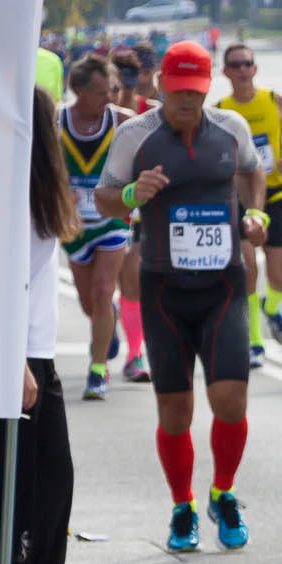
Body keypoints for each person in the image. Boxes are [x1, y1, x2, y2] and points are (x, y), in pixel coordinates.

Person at [96, 39, 271, 554]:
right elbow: (104, 198)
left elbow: (252, 170)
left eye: (196, 91)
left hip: (223, 286)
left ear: (207, 87)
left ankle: (223, 492)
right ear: (161, 85)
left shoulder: (230, 128)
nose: (188, 101)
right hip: (164, 289)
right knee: (175, 410)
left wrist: (255, 214)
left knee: (230, 400)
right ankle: (183, 505)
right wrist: (133, 194)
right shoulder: (135, 135)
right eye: (178, 91)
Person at [0, 89, 81, 564]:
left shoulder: (36, 189)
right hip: (7, 357)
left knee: (51, 481)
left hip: (35, 352)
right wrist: (12, 362)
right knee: (3, 488)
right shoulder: (1, 188)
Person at [218, 42, 282, 363]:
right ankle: (254, 342)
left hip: (274, 197)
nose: (242, 70)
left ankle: (272, 307)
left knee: (280, 280)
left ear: (255, 68)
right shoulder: (220, 110)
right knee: (248, 270)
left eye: (246, 64)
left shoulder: (275, 101)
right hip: (238, 201)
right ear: (225, 71)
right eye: (235, 65)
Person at [58, 57, 133, 400]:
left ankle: (98, 371)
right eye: (101, 93)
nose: (109, 98)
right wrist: (61, 192)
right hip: (75, 227)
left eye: (112, 90)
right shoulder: (56, 120)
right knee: (90, 304)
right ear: (78, 90)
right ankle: (107, 322)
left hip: (112, 222)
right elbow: (40, 166)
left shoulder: (123, 121)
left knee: (104, 290)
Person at [109, 44, 157, 383]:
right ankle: (105, 316)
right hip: (107, 206)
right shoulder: (99, 113)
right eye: (122, 74)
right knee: (103, 289)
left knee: (132, 283)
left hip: (139, 209)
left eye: (134, 73)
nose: (129, 81)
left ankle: (134, 356)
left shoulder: (151, 112)